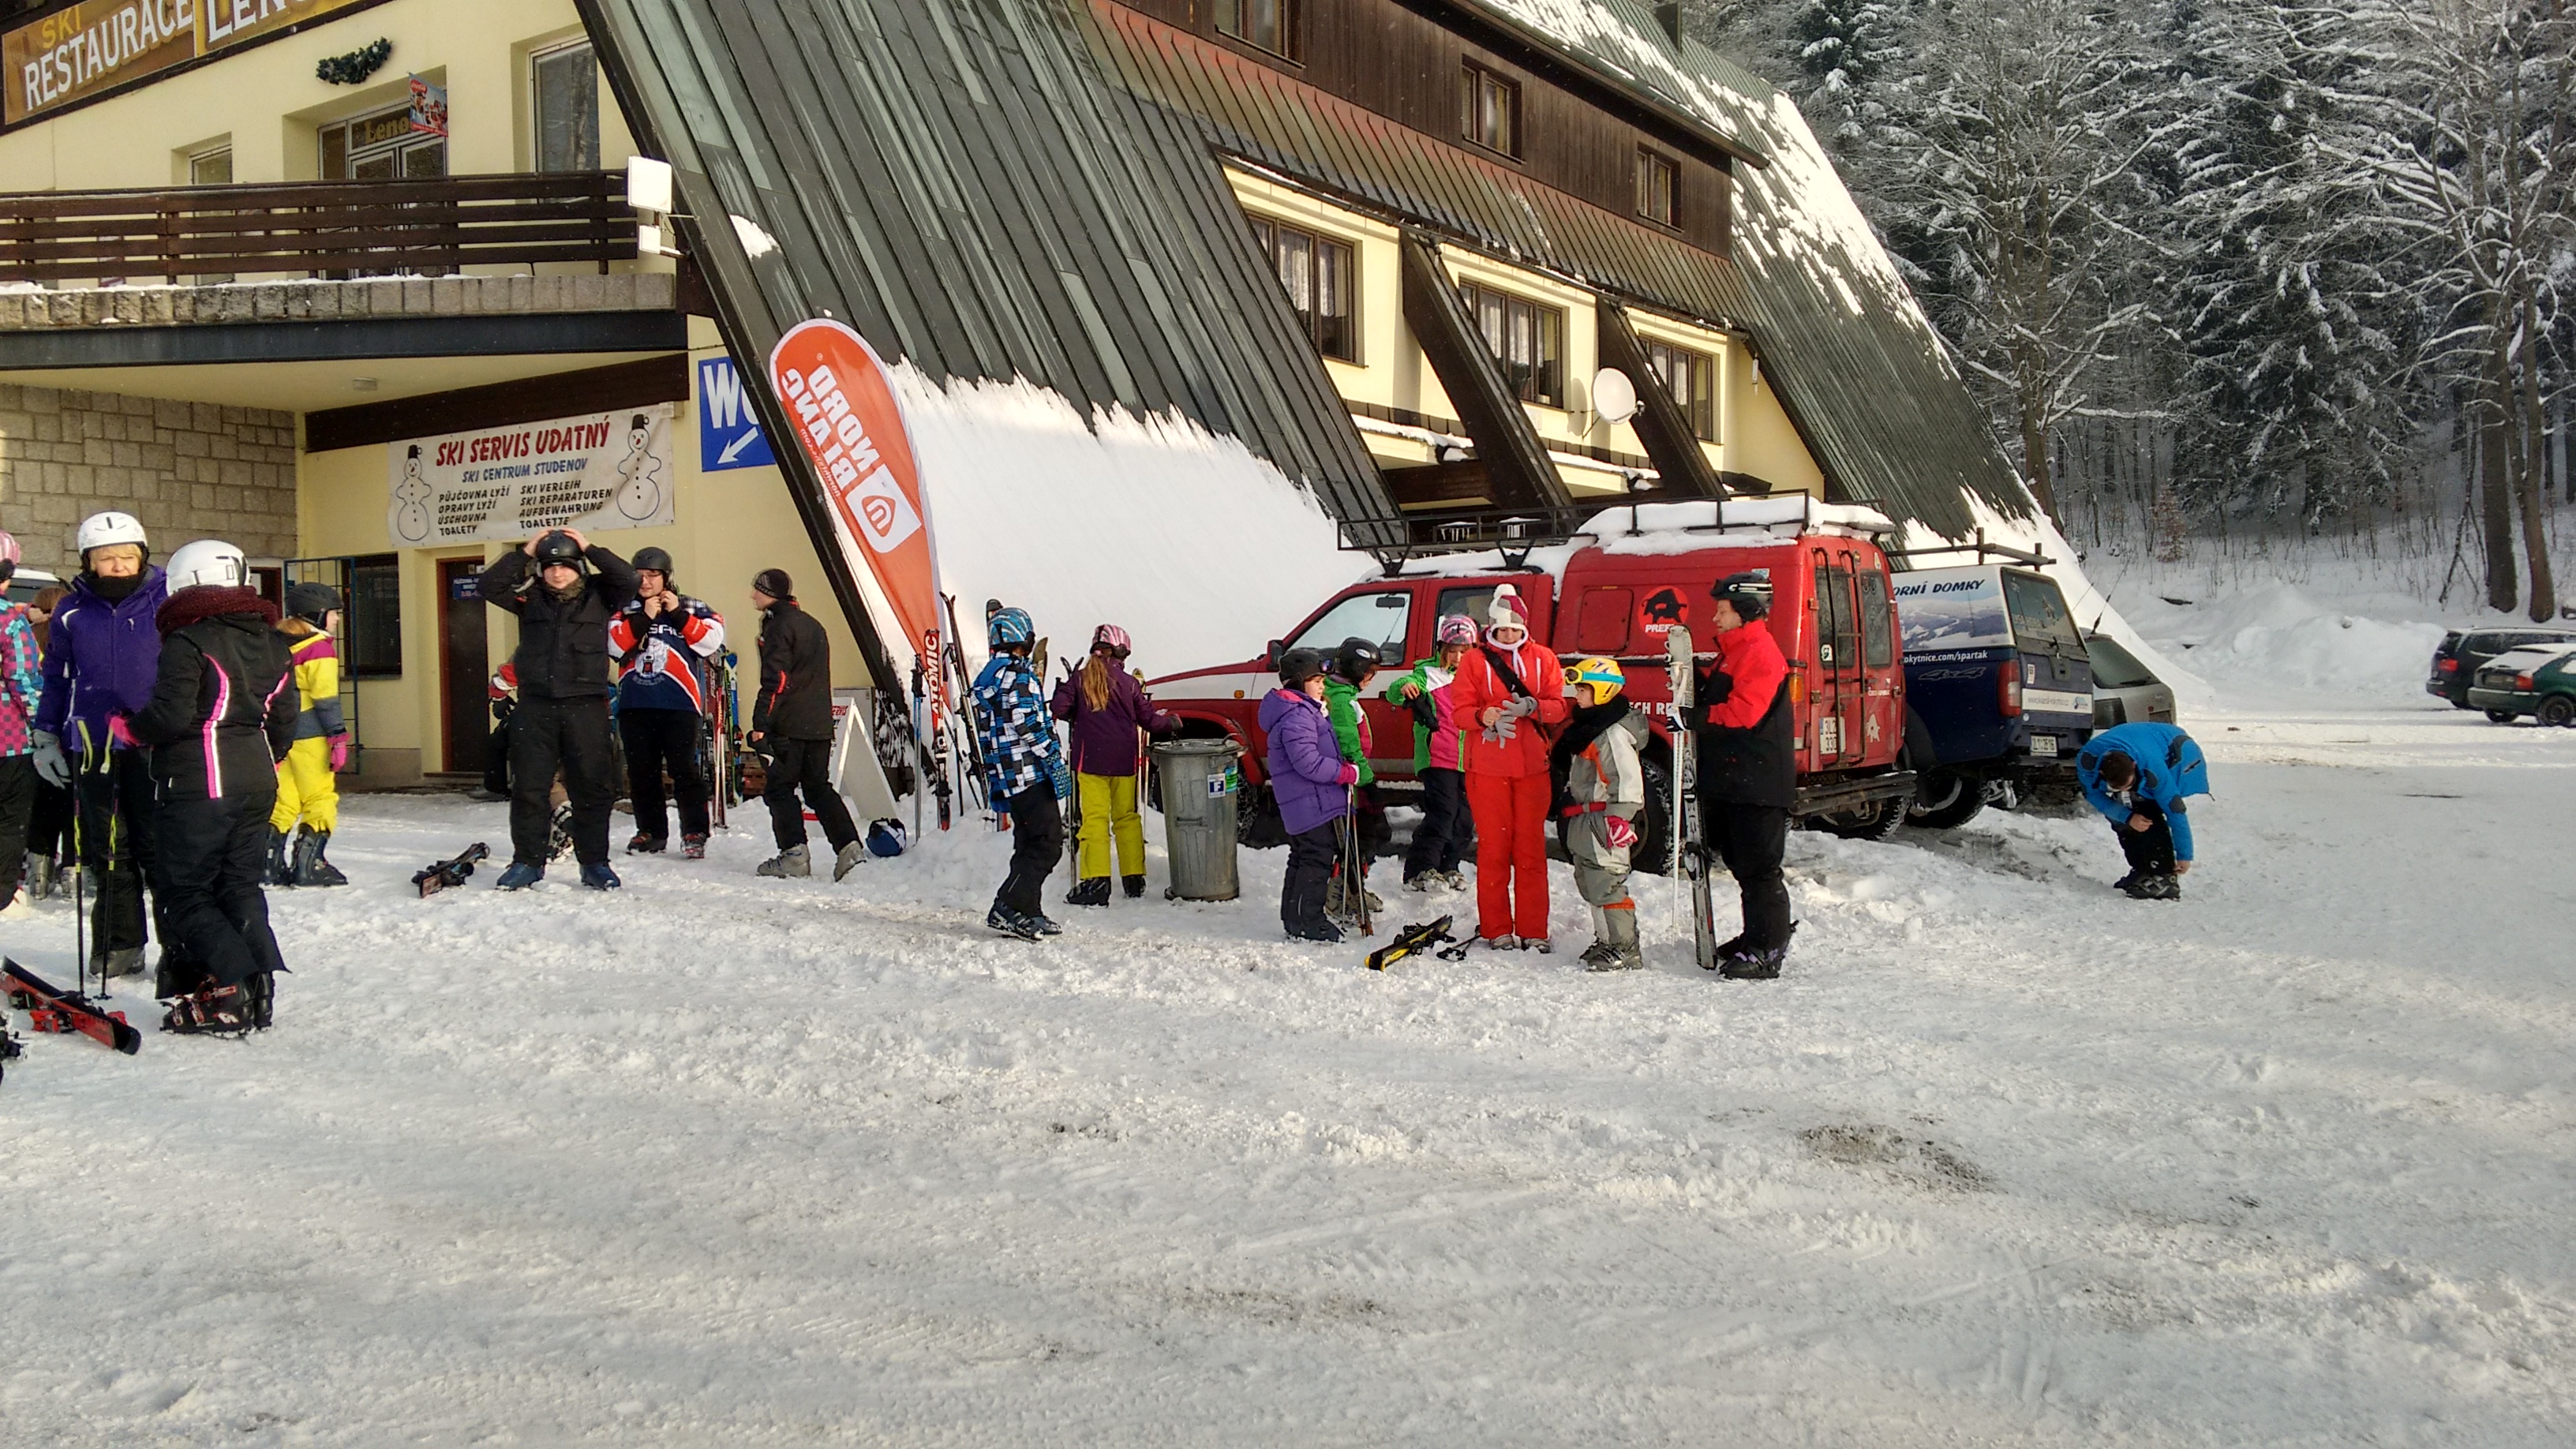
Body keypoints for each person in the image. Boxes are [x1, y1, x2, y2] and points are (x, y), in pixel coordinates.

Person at [120, 541, 295, 1034]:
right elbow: (284, 720)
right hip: (258, 778)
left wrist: (130, 728)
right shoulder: (273, 641)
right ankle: (258, 992)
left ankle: (229, 990)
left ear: (185, 583)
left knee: (185, 891)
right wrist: (268, 757)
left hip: (201, 779)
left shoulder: (189, 640)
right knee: (238, 886)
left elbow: (171, 716)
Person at [34, 511, 173, 978]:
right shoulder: (71, 612)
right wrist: (46, 734)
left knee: (161, 850)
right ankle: (120, 944)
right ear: (88, 561)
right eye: (106, 557)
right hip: (94, 745)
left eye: (126, 557)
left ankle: (179, 948)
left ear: (142, 557)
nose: (117, 566)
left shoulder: (167, 602)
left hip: (155, 742)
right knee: (109, 848)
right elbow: (57, 678)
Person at [477, 528, 638, 890]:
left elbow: (628, 578)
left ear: (578, 567)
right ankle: (527, 862)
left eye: (564, 565)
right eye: (549, 566)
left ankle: (594, 863)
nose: (557, 573)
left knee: (592, 788)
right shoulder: (529, 597)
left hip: (586, 705)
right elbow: (489, 585)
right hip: (536, 706)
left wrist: (589, 547)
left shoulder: (600, 595)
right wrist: (526, 551)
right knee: (529, 788)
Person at [1444, 583, 1567, 951]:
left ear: (1524, 627)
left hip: (1532, 769)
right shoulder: (1473, 661)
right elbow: (1459, 713)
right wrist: (1484, 716)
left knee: (1531, 851)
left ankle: (1534, 929)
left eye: (1514, 629)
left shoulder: (1545, 658)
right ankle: (1496, 927)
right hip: (1487, 770)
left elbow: (1560, 707)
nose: (1508, 635)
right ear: (1491, 629)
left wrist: (1535, 708)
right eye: (1502, 630)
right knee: (1493, 850)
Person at [1694, 571, 1795, 980]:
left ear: (1745, 611)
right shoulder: (1735, 651)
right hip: (1738, 778)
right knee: (1742, 863)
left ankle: (1768, 947)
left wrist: (1698, 718)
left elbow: (1744, 713)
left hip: (1759, 779)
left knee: (1759, 868)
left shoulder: (1760, 652)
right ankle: (1756, 935)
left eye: (1722, 611)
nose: (1715, 618)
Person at [744, 568, 863, 881]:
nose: (752, 595)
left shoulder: (778, 625)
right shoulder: (812, 624)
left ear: (771, 594)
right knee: (817, 787)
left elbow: (777, 680)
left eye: (758, 590)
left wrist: (761, 722)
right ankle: (850, 849)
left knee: (780, 789)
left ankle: (794, 855)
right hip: (818, 723)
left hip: (789, 725)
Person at [609, 546, 724, 859]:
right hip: (636, 703)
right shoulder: (624, 608)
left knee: (684, 770)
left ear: (666, 577)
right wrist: (643, 617)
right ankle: (651, 831)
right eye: (640, 576)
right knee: (642, 772)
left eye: (653, 576)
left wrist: (678, 615)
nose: (645, 582)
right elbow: (614, 646)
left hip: (680, 704)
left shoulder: (692, 606)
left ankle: (695, 831)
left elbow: (711, 642)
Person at [1050, 623, 1177, 905]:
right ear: (1121, 653)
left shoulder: (1080, 679)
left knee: (1094, 820)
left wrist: (1064, 691)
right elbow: (1150, 721)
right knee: (1127, 818)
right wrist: (1171, 723)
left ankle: (1097, 882)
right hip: (1124, 761)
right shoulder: (1130, 684)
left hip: (1090, 762)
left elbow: (1059, 709)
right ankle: (1133, 878)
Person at [975, 604, 1069, 941]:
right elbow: (1028, 724)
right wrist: (1054, 757)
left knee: (1028, 842)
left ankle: (1027, 908)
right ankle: (1007, 905)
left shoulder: (989, 677)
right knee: (1049, 843)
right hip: (1030, 773)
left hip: (1007, 775)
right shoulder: (1019, 676)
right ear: (1021, 639)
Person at [1260, 646, 1360, 944]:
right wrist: (1344, 773)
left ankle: (1295, 918)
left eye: (1323, 680)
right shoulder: (1297, 715)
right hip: (1309, 803)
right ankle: (1310, 921)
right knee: (1316, 858)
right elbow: (1308, 762)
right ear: (1298, 681)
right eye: (1316, 680)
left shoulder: (1301, 711)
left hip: (1308, 803)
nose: (1322, 685)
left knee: (1303, 857)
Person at [1554, 657, 1648, 972]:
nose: (1577, 695)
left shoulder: (1611, 734)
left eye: (1584, 689)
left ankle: (1624, 946)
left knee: (1607, 882)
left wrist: (1620, 817)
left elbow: (1626, 778)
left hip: (1604, 819)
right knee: (1590, 880)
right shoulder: (1590, 729)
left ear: (1603, 691)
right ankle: (1606, 939)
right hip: (1586, 819)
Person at [268, 582, 350, 888]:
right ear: (317, 614)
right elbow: (325, 699)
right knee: (320, 796)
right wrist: (337, 736)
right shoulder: (318, 648)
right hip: (311, 736)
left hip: (279, 735)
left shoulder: (275, 643)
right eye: (333, 613)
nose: (337, 619)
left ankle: (268, 865)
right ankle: (308, 865)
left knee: (285, 799)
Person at [1388, 613, 1477, 893]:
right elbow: (1394, 692)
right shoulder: (1427, 673)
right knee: (1443, 812)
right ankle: (1420, 868)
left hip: (1469, 759)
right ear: (1442, 649)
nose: (1458, 658)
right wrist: (1404, 687)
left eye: (1464, 652)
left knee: (1465, 818)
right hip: (1437, 755)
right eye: (1452, 651)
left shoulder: (1477, 677)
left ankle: (1449, 865)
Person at [2077, 721, 2209, 900]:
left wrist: (2185, 856)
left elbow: (2175, 810)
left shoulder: (2152, 765)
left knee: (2147, 811)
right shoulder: (2087, 761)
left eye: (2130, 784)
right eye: (2118, 788)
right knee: (2122, 815)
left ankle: (2164, 877)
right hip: (2140, 744)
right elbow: (2092, 794)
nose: (2127, 790)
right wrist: (2127, 817)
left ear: (2133, 765)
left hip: (2178, 752)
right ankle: (2142, 870)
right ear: (2101, 773)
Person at [1322, 637, 1388, 920]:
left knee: (1368, 836)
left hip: (1353, 780)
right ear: (1357, 670)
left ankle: (1354, 887)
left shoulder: (1343, 694)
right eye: (1370, 673)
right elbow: (1350, 748)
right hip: (1350, 783)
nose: (1372, 679)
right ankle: (1342, 892)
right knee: (1364, 837)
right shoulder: (1341, 701)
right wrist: (1369, 784)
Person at [20, 582, 72, 900]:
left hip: (29, 732)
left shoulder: (26, 637)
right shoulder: (72, 638)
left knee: (42, 802)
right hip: (69, 729)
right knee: (73, 803)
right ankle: (74, 867)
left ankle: (39, 870)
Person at [0, 534, 41, 915]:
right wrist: (41, 724)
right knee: (9, 819)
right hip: (8, 739)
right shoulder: (10, 621)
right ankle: (3, 892)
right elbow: (23, 679)